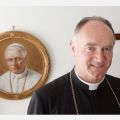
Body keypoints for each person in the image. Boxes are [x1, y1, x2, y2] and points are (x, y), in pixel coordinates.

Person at [27, 16, 120, 114]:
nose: (100, 58)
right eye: (90, 48)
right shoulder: (45, 98)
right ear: (73, 48)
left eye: (107, 49)